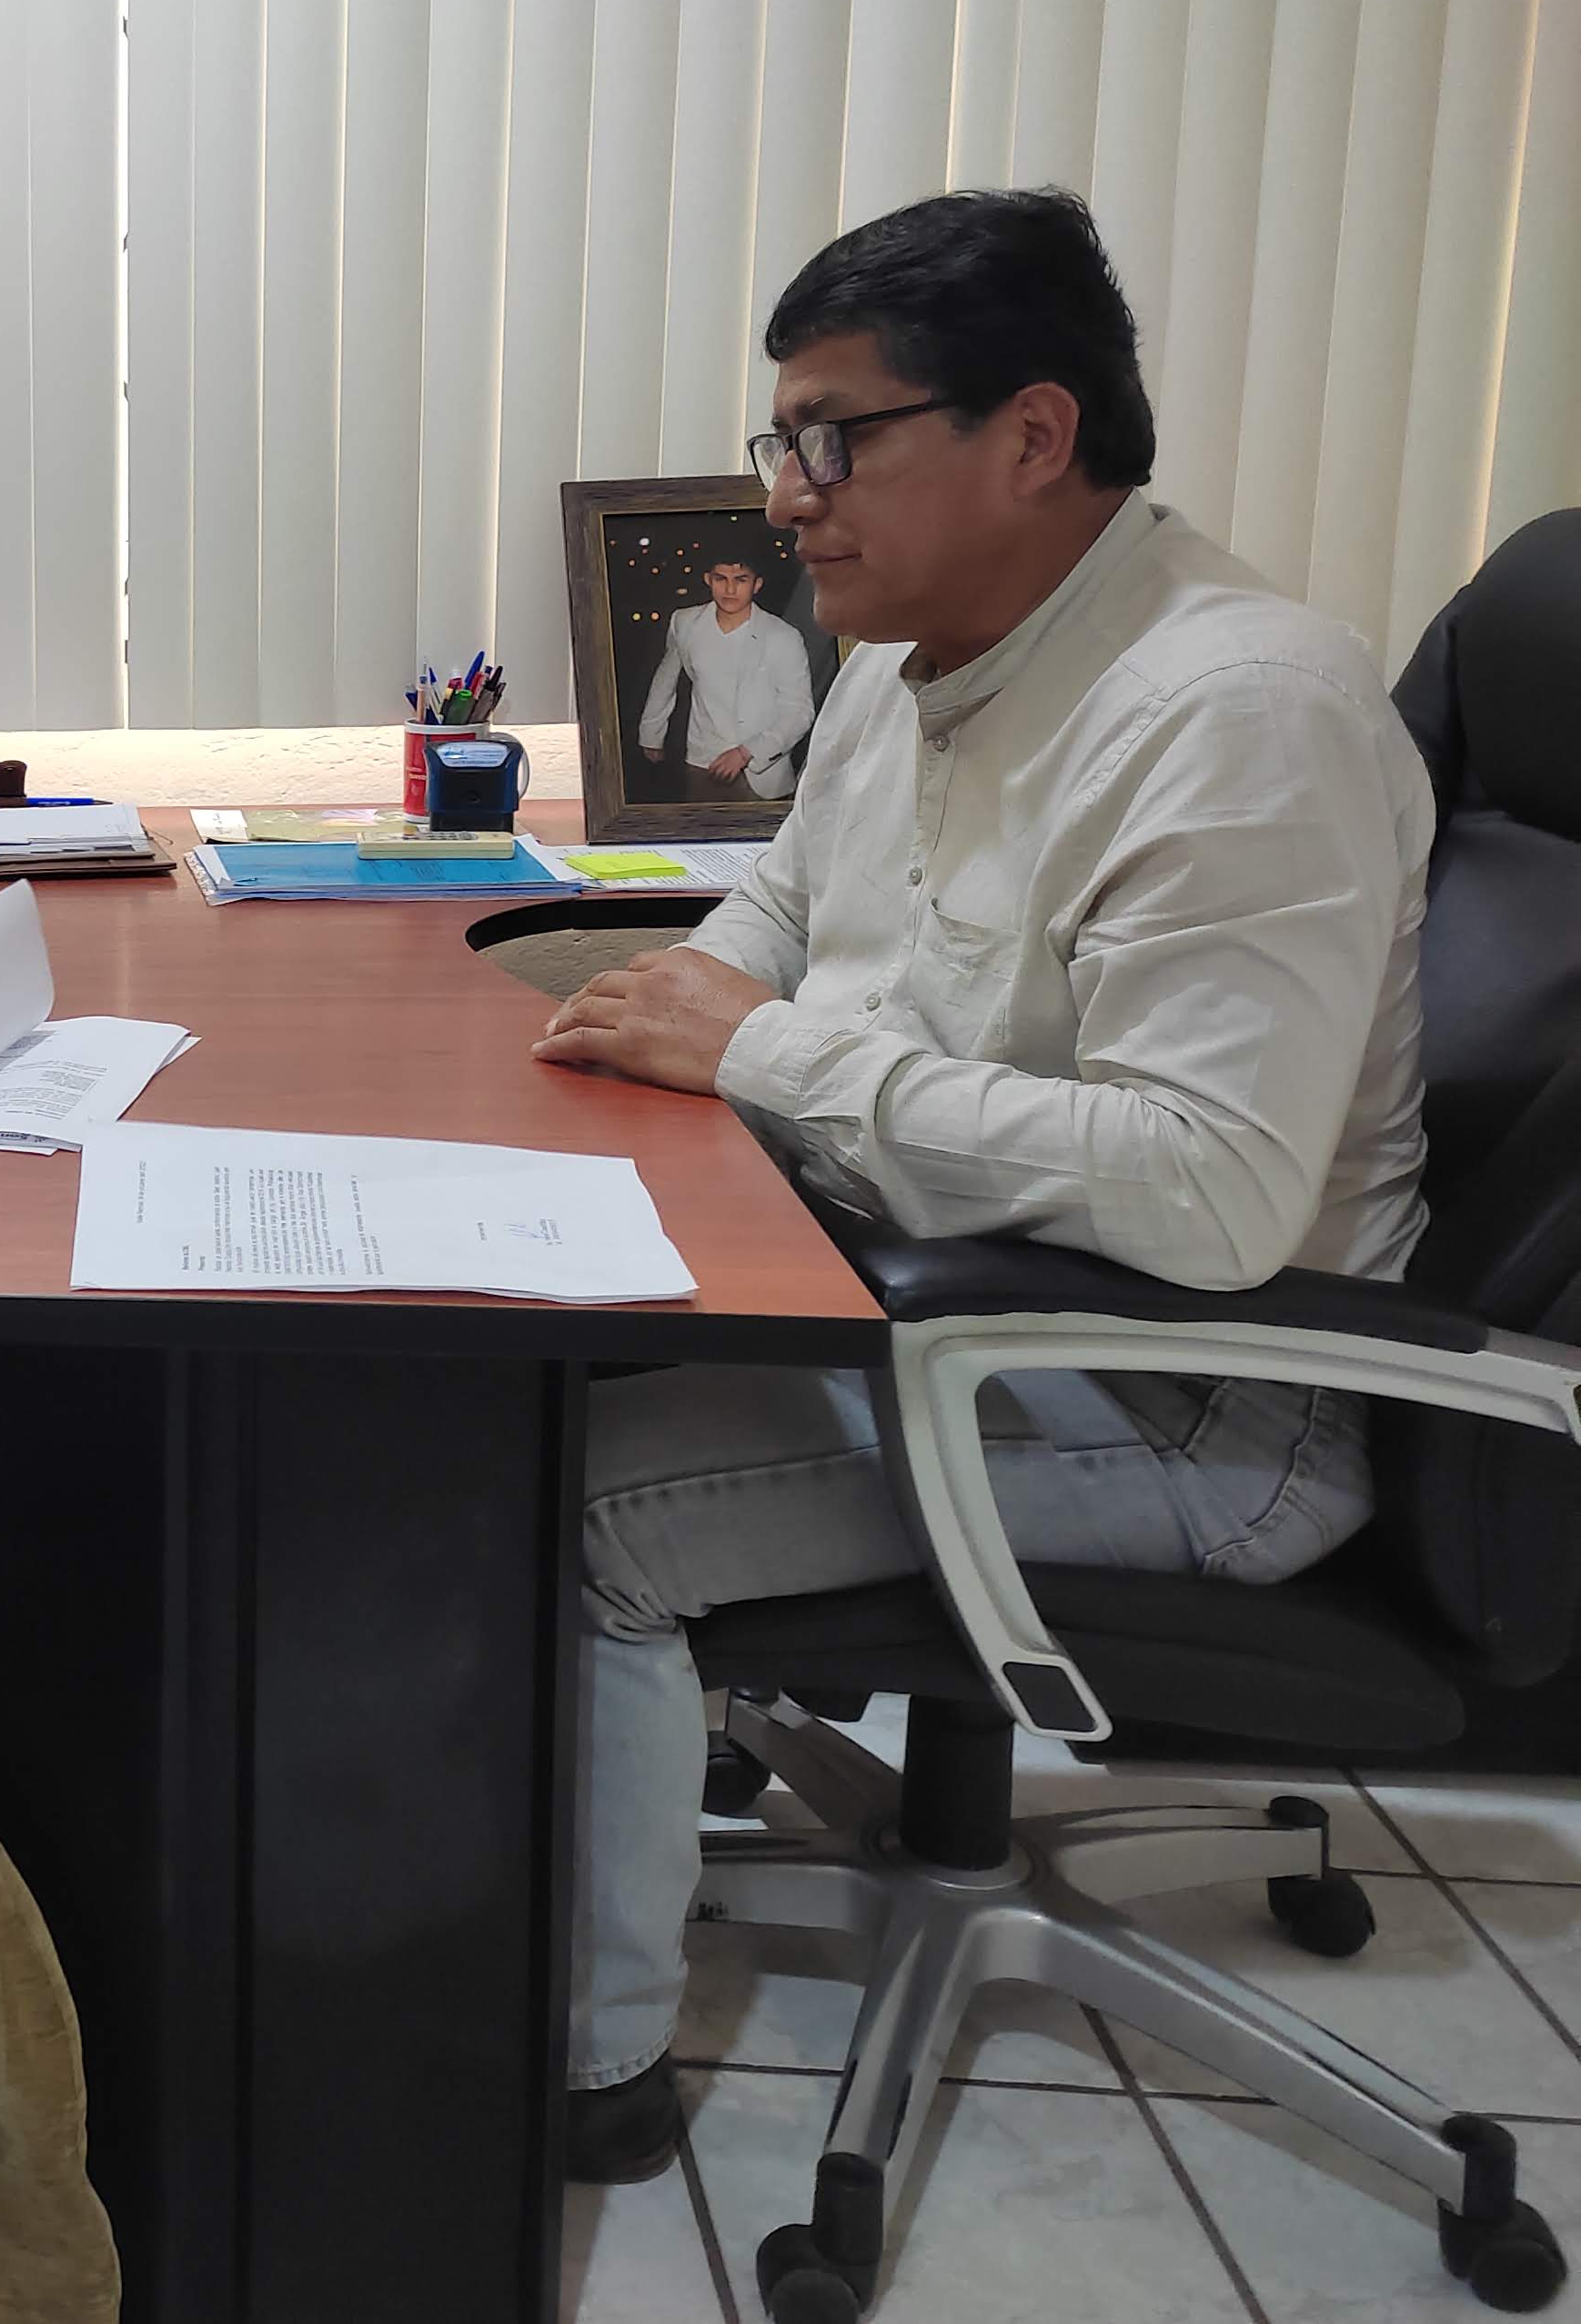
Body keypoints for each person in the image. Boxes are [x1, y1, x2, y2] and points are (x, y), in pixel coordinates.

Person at [529, 187, 1431, 2183]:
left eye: (833, 440)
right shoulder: (915, 650)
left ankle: (588, 2070)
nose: (784, 498)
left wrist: (754, 1056)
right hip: (950, 1293)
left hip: (1197, 1399)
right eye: (782, 439)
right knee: (513, 1368)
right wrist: (650, 1019)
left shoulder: (1237, 714)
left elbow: (1208, 1196)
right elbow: (785, 910)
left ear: (1031, 437)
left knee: (574, 1515)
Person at [636, 552, 816, 801]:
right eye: (721, 579)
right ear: (708, 580)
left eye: (741, 580)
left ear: (757, 584)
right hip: (703, 764)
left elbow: (799, 711)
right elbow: (665, 680)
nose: (730, 589)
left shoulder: (783, 637)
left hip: (763, 775)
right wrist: (651, 734)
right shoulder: (685, 623)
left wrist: (747, 752)